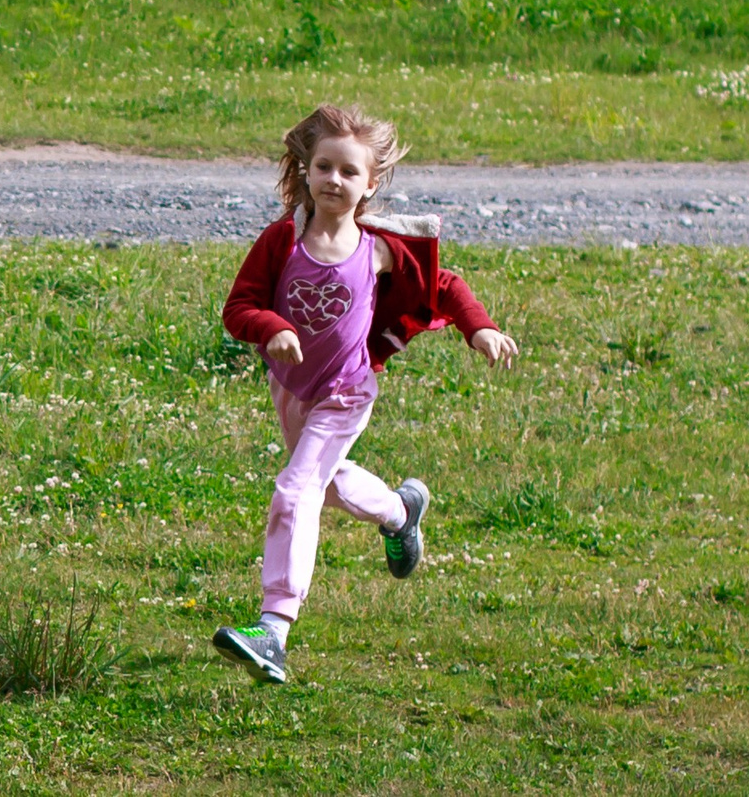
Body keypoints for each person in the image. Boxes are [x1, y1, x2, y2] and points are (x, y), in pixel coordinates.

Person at [211, 104, 519, 684]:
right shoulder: (281, 240)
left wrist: (478, 327)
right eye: (323, 166)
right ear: (305, 170)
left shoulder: (378, 247)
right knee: (324, 487)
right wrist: (271, 328)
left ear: (370, 183)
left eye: (349, 172)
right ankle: (402, 512)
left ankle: (272, 630)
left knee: (295, 488)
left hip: (347, 390)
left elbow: (444, 286)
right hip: (293, 389)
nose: (334, 180)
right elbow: (238, 309)